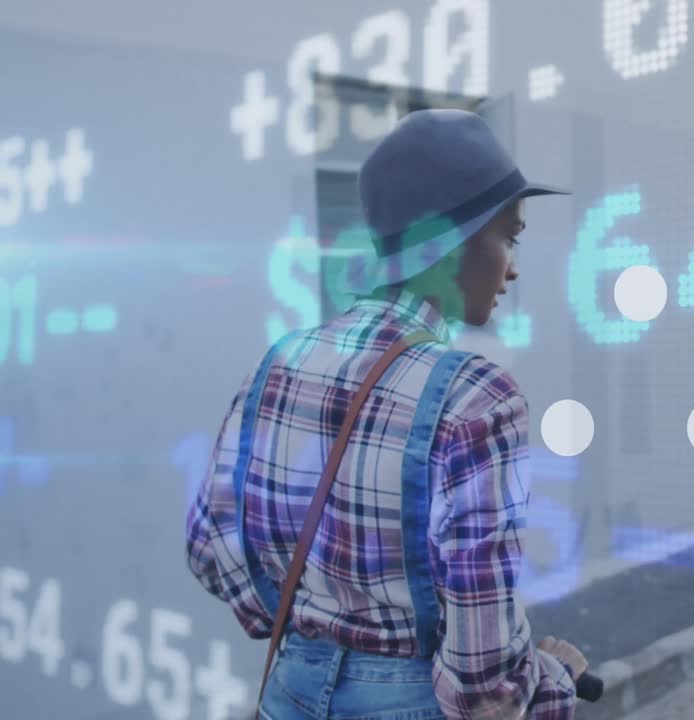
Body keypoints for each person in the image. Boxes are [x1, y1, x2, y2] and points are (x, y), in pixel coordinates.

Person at [185, 109, 587, 719]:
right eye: (510, 237)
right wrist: (555, 681)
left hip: (287, 691)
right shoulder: (477, 397)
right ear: (453, 240)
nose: (513, 267)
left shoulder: (280, 363)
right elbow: (482, 683)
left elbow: (208, 549)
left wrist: (309, 626)